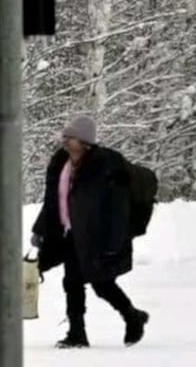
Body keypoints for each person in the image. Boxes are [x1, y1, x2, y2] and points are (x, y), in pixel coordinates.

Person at [30, 116, 149, 348]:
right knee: (72, 281)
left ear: (84, 141)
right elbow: (53, 201)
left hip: (95, 237)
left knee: (101, 284)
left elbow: (118, 208)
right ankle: (77, 334)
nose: (64, 142)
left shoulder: (105, 164)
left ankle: (132, 315)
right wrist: (40, 230)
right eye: (64, 137)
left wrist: (113, 242)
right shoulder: (61, 163)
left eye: (70, 138)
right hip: (67, 234)